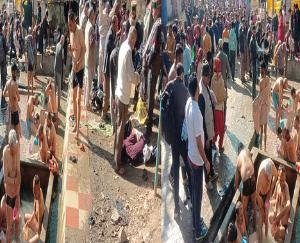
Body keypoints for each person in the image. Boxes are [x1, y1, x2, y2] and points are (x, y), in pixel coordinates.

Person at [185, 75, 210, 240]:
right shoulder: (197, 113)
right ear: (197, 90)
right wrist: (207, 161)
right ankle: (197, 228)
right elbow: (200, 144)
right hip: (197, 159)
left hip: (189, 154)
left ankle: (195, 220)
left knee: (194, 190)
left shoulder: (188, 104)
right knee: (198, 194)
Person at [164, 63, 190, 218]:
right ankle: (191, 198)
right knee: (186, 165)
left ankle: (176, 208)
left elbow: (162, 101)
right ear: (183, 74)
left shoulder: (169, 86)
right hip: (182, 137)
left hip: (172, 137)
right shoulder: (185, 90)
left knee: (175, 167)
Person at [114, 26, 140, 175]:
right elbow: (131, 76)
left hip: (119, 91)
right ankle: (117, 164)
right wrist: (138, 77)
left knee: (119, 126)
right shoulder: (129, 50)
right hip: (123, 95)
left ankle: (116, 157)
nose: (135, 43)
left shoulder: (123, 45)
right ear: (133, 38)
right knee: (120, 128)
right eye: (135, 40)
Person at [198, 61, 218, 190]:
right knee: (205, 156)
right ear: (203, 76)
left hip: (209, 129)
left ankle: (211, 173)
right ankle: (207, 180)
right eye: (207, 76)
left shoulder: (206, 88)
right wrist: (205, 138)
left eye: (209, 76)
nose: (208, 78)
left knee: (210, 153)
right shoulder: (200, 93)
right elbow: (201, 119)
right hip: (205, 131)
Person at [143, 0, 162, 137]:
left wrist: (147, 60)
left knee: (150, 96)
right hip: (154, 63)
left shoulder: (159, 24)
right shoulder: (157, 23)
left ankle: (148, 128)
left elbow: (155, 48)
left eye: (154, 8)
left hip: (154, 64)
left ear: (159, 9)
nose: (152, 11)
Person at [68, 11, 86, 139]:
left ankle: (79, 129)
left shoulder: (79, 31)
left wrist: (79, 62)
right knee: (73, 98)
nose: (69, 27)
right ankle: (75, 124)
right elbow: (74, 50)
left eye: (71, 24)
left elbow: (84, 49)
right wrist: (70, 50)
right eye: (68, 24)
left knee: (79, 100)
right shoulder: (70, 32)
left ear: (74, 21)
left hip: (80, 69)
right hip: (74, 69)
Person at [3, 129, 21, 243]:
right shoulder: (6, 153)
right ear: (9, 144)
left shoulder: (18, 146)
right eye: (13, 147)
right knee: (9, 227)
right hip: (9, 195)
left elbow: (18, 170)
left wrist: (18, 192)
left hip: (17, 192)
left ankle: (18, 240)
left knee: (17, 220)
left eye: (16, 146)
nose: (14, 149)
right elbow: (5, 178)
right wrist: (15, 180)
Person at [234, 146, 256, 229]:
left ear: (238, 152)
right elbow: (252, 163)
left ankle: (246, 229)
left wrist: (238, 199)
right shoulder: (247, 151)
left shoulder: (238, 159)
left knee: (244, 209)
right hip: (253, 177)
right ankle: (255, 227)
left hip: (246, 181)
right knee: (254, 205)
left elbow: (236, 184)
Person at [256, 158, 278, 241]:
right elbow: (257, 194)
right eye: (267, 177)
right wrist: (261, 203)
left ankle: (266, 238)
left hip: (267, 193)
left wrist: (271, 190)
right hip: (260, 195)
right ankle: (261, 239)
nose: (269, 179)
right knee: (262, 217)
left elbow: (276, 176)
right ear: (265, 173)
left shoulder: (272, 166)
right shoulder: (261, 175)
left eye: (270, 177)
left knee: (266, 215)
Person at [102, 15, 118, 120]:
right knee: (106, 94)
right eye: (116, 24)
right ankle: (103, 114)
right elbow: (111, 48)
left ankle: (105, 112)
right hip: (107, 69)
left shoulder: (113, 34)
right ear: (112, 24)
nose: (117, 25)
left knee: (108, 93)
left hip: (109, 68)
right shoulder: (110, 35)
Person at [269, 165, 291, 242]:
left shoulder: (286, 188)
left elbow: (288, 205)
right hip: (277, 212)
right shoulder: (278, 183)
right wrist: (274, 209)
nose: (281, 182)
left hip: (283, 221)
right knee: (270, 216)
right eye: (279, 178)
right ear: (278, 176)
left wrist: (278, 217)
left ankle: (280, 238)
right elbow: (274, 198)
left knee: (277, 235)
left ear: (285, 178)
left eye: (282, 180)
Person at [253, 63, 271, 151]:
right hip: (266, 106)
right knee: (265, 130)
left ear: (261, 70)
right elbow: (267, 94)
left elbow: (260, 95)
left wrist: (255, 103)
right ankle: (265, 148)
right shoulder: (268, 80)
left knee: (261, 129)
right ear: (266, 69)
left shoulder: (261, 81)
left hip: (262, 107)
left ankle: (261, 148)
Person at [211, 57, 226, 153]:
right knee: (221, 129)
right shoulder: (221, 80)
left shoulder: (212, 78)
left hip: (214, 107)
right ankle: (220, 146)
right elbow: (223, 96)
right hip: (220, 108)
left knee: (215, 127)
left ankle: (213, 143)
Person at [24, 175, 45, 243]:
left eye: (35, 189)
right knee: (25, 217)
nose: (34, 191)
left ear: (38, 187)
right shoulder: (37, 193)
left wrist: (37, 235)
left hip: (39, 225)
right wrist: (30, 220)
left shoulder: (39, 201)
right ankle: (31, 234)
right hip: (36, 219)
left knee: (30, 242)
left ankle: (32, 237)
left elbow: (39, 225)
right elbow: (34, 211)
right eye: (33, 188)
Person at [3, 63, 21, 139]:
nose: (16, 73)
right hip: (15, 111)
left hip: (10, 110)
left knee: (11, 134)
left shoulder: (7, 83)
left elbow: (3, 94)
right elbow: (19, 98)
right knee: (17, 135)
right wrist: (15, 98)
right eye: (16, 72)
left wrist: (10, 96)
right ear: (14, 72)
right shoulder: (15, 84)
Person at [84, 7, 97, 111]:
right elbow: (92, 43)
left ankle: (85, 101)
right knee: (89, 82)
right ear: (91, 15)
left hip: (86, 56)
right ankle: (87, 104)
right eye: (94, 13)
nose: (95, 15)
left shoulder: (87, 25)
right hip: (90, 58)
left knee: (87, 81)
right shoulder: (91, 27)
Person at [54, 34, 64, 110]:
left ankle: (53, 102)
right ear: (62, 40)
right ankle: (59, 105)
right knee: (59, 88)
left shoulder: (57, 45)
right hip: (59, 70)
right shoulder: (62, 49)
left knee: (55, 87)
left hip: (55, 68)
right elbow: (63, 59)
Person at [0, 21, 8, 108]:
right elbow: (6, 49)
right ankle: (2, 101)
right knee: (3, 82)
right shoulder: (2, 37)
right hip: (2, 62)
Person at [249, 25, 258, 99]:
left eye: (255, 31)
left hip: (255, 60)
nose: (255, 32)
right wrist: (251, 62)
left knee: (255, 79)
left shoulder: (255, 39)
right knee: (254, 80)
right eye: (254, 31)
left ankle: (254, 94)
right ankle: (253, 96)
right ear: (252, 31)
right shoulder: (252, 40)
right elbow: (251, 52)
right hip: (253, 61)